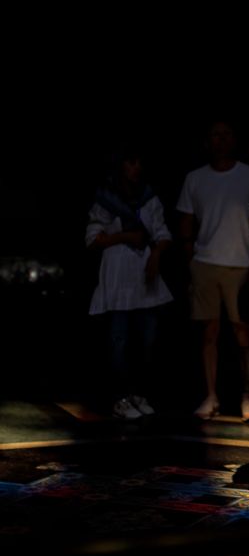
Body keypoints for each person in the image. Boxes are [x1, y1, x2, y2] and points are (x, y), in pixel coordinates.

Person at [176, 119, 249, 420]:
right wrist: (191, 262)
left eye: (226, 134)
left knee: (242, 331)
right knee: (209, 332)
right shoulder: (195, 178)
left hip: (240, 264)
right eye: (215, 135)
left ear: (234, 140)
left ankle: (247, 396)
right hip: (205, 263)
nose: (221, 140)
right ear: (207, 141)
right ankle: (211, 396)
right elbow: (186, 222)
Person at [86, 143, 173, 419]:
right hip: (117, 277)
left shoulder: (149, 198)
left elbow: (162, 233)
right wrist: (124, 237)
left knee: (146, 342)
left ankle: (139, 394)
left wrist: (155, 255)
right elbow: (92, 239)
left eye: (139, 163)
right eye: (130, 163)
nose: (136, 168)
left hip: (143, 278)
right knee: (119, 341)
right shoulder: (106, 200)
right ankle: (120, 397)